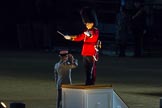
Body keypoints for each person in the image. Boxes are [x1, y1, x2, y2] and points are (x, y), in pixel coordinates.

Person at [64, 7, 100, 85]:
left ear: (92, 23)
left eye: (87, 23)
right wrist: (70, 37)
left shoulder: (95, 31)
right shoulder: (86, 31)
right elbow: (79, 37)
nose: (86, 24)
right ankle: (88, 82)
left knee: (91, 69)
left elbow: (92, 36)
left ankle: (90, 82)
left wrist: (89, 34)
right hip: (85, 52)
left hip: (91, 53)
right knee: (87, 69)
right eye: (86, 23)